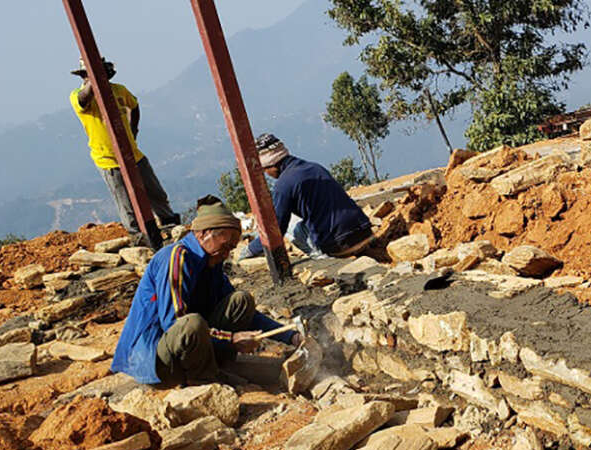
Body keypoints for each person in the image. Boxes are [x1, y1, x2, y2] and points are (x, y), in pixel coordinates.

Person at [112, 195, 301, 386]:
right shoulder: (177, 258)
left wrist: (290, 336)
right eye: (225, 246)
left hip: (190, 345)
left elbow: (247, 314)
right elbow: (175, 323)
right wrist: (231, 339)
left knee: (241, 302)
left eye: (231, 248)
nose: (227, 254)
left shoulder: (212, 261)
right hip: (154, 356)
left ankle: (217, 363)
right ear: (203, 234)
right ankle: (205, 379)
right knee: (191, 324)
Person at [69, 57, 180, 238]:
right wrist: (94, 80)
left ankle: (171, 226)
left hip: (132, 154)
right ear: (85, 76)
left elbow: (134, 106)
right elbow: (83, 99)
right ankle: (138, 237)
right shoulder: (78, 96)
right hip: (108, 160)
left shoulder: (119, 90)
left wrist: (133, 129)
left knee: (156, 193)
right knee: (126, 202)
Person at [240, 133, 373, 260]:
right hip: (365, 231)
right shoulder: (315, 167)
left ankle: (322, 257)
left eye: (265, 169)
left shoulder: (283, 184)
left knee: (292, 227)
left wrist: (250, 250)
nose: (266, 173)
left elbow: (277, 229)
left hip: (339, 245)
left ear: (272, 165)